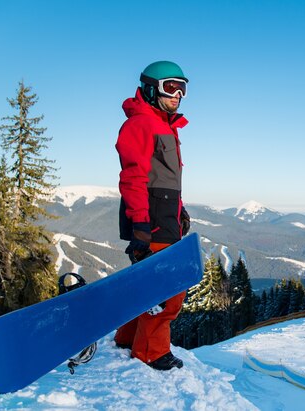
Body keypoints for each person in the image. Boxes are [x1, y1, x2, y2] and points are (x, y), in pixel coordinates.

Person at [113, 61, 191, 371]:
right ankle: (150, 352)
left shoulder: (165, 125)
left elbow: (166, 179)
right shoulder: (141, 124)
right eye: (170, 87)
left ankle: (127, 337)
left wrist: (179, 209)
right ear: (150, 88)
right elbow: (133, 179)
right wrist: (141, 226)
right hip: (152, 218)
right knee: (167, 291)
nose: (178, 95)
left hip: (164, 215)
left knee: (150, 285)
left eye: (182, 88)